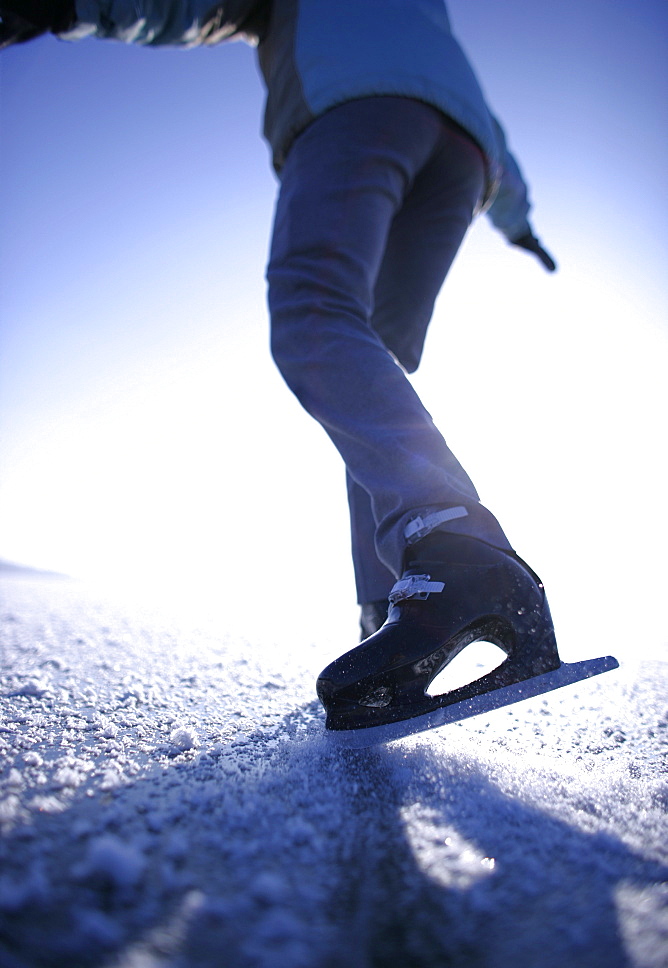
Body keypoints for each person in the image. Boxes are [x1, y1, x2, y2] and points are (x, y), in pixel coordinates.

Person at [1, 0, 561, 732]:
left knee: (315, 313)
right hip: (462, 155)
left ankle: (461, 559)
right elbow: (472, 97)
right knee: (371, 372)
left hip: (357, 111)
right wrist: (517, 219)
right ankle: (408, 605)